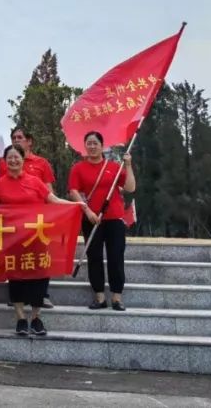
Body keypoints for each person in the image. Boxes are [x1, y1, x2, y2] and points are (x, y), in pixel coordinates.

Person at [0, 144, 90, 336]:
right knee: (16, 279)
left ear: (23, 159)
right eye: (9, 158)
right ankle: (20, 319)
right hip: (13, 240)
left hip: (37, 238)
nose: (13, 161)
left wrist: (76, 205)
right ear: (5, 161)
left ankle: (36, 318)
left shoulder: (34, 181)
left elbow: (53, 200)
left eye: (16, 157)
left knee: (40, 277)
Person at [68, 130, 135, 311]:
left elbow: (130, 187)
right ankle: (99, 297)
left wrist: (128, 165)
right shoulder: (78, 168)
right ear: (85, 146)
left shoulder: (113, 166)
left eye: (95, 143)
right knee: (94, 257)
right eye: (88, 143)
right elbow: (73, 191)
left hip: (114, 219)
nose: (92, 146)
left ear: (102, 146)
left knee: (116, 256)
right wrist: (87, 210)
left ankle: (117, 297)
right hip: (91, 219)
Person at [0, 127, 58, 308]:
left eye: (20, 137)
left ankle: (41, 297)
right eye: (13, 137)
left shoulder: (41, 164)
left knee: (39, 262)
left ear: (29, 141)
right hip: (13, 228)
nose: (16, 140)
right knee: (16, 262)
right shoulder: (4, 171)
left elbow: (50, 194)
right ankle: (18, 299)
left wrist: (56, 213)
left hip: (36, 225)